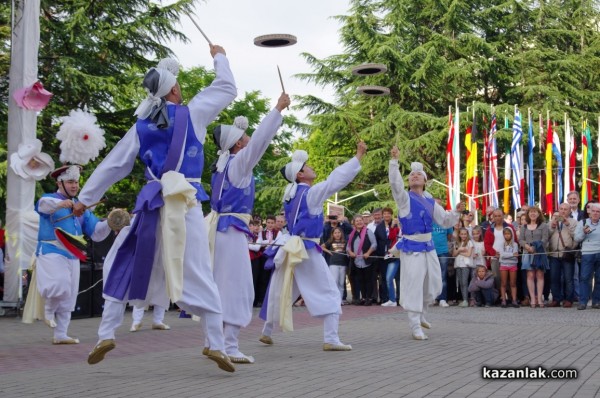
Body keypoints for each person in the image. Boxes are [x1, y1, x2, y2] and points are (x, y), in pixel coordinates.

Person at [74, 45, 237, 372]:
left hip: (151, 202)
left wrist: (85, 199)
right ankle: (215, 344)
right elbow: (228, 88)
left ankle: (105, 333)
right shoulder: (195, 112)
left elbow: (114, 165)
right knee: (198, 269)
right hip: (185, 202)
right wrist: (219, 55)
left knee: (127, 261)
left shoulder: (142, 125)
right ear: (174, 89)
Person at [259, 141, 367, 351]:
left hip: (292, 247)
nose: (310, 167)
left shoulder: (290, 195)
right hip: (306, 250)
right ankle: (331, 338)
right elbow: (334, 181)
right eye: (306, 166)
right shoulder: (310, 194)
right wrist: (358, 157)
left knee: (283, 290)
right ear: (300, 175)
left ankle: (267, 331)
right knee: (329, 291)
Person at [207, 92, 290, 364]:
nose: (247, 141)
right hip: (230, 233)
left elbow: (257, 142)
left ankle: (213, 341)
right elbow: (261, 142)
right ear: (237, 146)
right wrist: (277, 109)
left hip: (218, 231)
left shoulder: (220, 168)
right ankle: (228, 346)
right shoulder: (238, 165)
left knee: (219, 286)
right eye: (243, 139)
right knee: (238, 288)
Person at [388, 146, 463, 340]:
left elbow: (445, 220)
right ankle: (414, 326)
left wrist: (456, 212)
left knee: (433, 283)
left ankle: (422, 315)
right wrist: (394, 162)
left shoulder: (430, 201)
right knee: (413, 284)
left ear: (425, 180)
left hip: (428, 247)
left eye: (418, 174)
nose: (414, 176)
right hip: (412, 247)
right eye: (411, 174)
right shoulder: (404, 199)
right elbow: (395, 184)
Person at [35, 165, 111, 344]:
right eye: (70, 182)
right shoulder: (50, 199)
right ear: (59, 183)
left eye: (76, 182)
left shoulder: (80, 207)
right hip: (51, 250)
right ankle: (48, 310)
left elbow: (96, 232)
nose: (74, 185)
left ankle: (61, 334)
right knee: (59, 284)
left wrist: (110, 222)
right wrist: (60, 204)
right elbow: (43, 205)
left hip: (73, 253)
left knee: (69, 294)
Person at [548, 203, 577, 308]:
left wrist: (568, 224)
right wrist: (552, 226)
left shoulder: (574, 222)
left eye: (565, 209)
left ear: (569, 211)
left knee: (568, 278)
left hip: (567, 253)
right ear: (558, 210)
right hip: (554, 254)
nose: (563, 211)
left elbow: (577, 236)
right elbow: (547, 235)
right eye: (561, 209)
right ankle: (556, 299)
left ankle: (568, 299)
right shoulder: (551, 221)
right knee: (554, 278)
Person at [519, 206, 549, 308]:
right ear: (528, 214)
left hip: (539, 253)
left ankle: (539, 298)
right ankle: (532, 298)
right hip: (528, 253)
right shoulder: (524, 226)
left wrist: (535, 247)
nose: (533, 214)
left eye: (535, 212)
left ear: (538, 214)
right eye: (531, 212)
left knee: (540, 275)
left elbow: (545, 239)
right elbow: (521, 240)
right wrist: (527, 247)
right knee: (530, 275)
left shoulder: (543, 226)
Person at [574, 202, 600, 310]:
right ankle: (583, 302)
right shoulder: (582, 222)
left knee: (599, 279)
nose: (595, 213)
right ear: (589, 212)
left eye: (598, 212)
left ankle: (596, 301)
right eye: (593, 211)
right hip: (587, 253)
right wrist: (584, 233)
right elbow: (576, 239)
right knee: (585, 278)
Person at [347, 214, 377, 306]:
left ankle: (369, 298)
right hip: (356, 261)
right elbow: (348, 246)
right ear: (354, 223)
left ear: (363, 221)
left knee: (368, 280)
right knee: (360, 280)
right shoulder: (352, 234)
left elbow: (374, 244)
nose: (359, 222)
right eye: (357, 221)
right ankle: (363, 297)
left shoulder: (368, 232)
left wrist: (368, 253)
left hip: (367, 260)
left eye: (360, 220)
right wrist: (350, 252)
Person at [432, 199, 454, 308]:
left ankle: (443, 298)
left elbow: (450, 236)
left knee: (442, 276)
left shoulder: (446, 221)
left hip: (443, 251)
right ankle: (433, 298)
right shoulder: (428, 218)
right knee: (431, 276)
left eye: (439, 205)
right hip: (430, 251)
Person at [377, 207, 401, 307]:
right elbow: (379, 239)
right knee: (386, 278)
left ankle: (395, 299)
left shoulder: (396, 225)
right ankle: (390, 298)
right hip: (384, 255)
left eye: (388, 213)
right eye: (385, 213)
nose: (386, 215)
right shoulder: (380, 226)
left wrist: (394, 226)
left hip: (395, 254)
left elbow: (396, 236)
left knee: (390, 277)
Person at [322, 227, 349, 302]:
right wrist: (328, 251)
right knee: (335, 281)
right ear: (333, 234)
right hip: (333, 264)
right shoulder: (330, 241)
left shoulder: (345, 242)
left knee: (341, 282)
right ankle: (334, 300)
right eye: (335, 233)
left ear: (341, 233)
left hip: (343, 264)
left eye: (339, 232)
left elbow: (349, 250)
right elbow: (322, 247)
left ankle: (340, 300)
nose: (337, 234)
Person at [451, 227, 473, 307]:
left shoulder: (470, 242)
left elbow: (468, 254)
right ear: (459, 235)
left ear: (467, 235)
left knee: (465, 282)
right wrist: (460, 249)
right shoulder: (456, 243)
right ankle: (464, 299)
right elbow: (453, 254)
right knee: (460, 283)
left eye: (465, 234)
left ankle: (466, 300)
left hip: (465, 265)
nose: (463, 236)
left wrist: (459, 252)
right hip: (458, 264)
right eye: (462, 234)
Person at [498, 227, 519, 308]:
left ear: (511, 234)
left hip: (513, 265)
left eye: (508, 234)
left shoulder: (515, 244)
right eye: (505, 234)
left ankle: (514, 300)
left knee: (513, 283)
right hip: (503, 265)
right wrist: (511, 255)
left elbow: (515, 256)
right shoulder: (501, 244)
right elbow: (502, 255)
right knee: (503, 283)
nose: (507, 236)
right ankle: (503, 300)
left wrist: (508, 256)